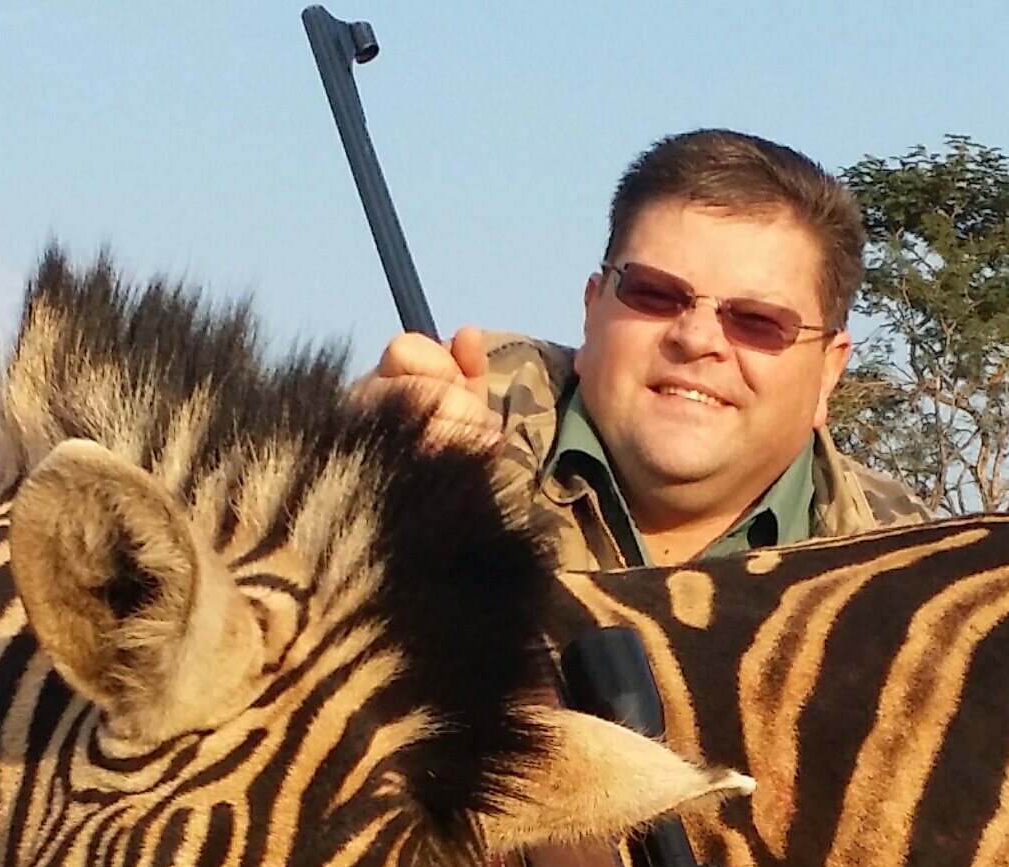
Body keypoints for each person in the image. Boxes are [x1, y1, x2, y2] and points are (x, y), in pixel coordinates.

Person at [353, 128, 923, 574]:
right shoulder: (460, 424)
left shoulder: (915, 562)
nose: (696, 339)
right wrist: (350, 465)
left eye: (755, 321)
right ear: (592, 308)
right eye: (654, 294)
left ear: (828, 370)